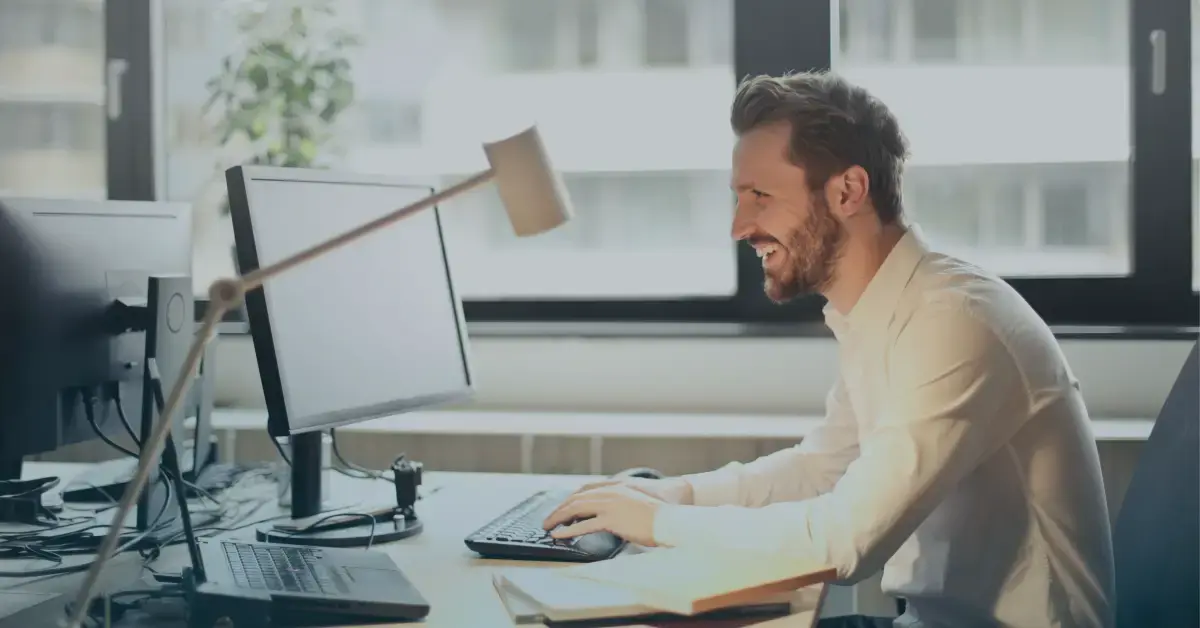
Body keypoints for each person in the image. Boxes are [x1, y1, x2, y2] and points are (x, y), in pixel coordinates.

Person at [542, 72, 1115, 628]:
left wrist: (661, 522)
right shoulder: (884, 312)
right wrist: (675, 494)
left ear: (848, 191)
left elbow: (846, 541)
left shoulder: (955, 323)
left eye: (760, 196)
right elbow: (823, 468)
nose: (740, 226)